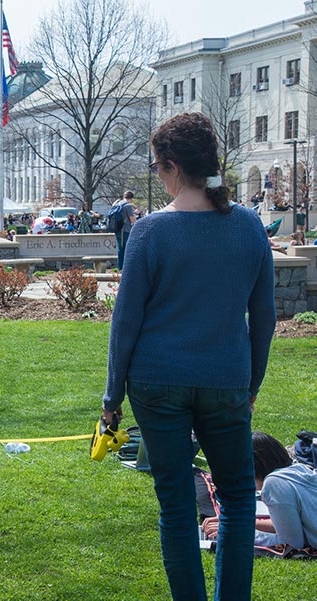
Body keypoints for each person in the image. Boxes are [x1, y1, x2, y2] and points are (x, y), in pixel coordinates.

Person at [102, 112, 276, 601]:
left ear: (173, 166)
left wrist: (112, 396)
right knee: (238, 498)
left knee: (177, 504)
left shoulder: (151, 232)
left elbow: (125, 324)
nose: (157, 175)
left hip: (157, 383)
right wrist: (251, 385)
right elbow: (263, 319)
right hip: (226, 381)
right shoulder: (248, 226)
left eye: (157, 167)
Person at [202, 432, 316, 549]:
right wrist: (237, 523)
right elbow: (288, 525)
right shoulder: (297, 470)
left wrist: (235, 534)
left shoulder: (274, 483)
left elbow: (291, 542)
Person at [112, 191, 137, 270]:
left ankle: (120, 268)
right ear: (131, 198)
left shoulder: (117, 204)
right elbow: (132, 220)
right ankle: (126, 269)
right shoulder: (128, 206)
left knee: (120, 249)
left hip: (118, 229)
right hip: (126, 230)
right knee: (128, 249)